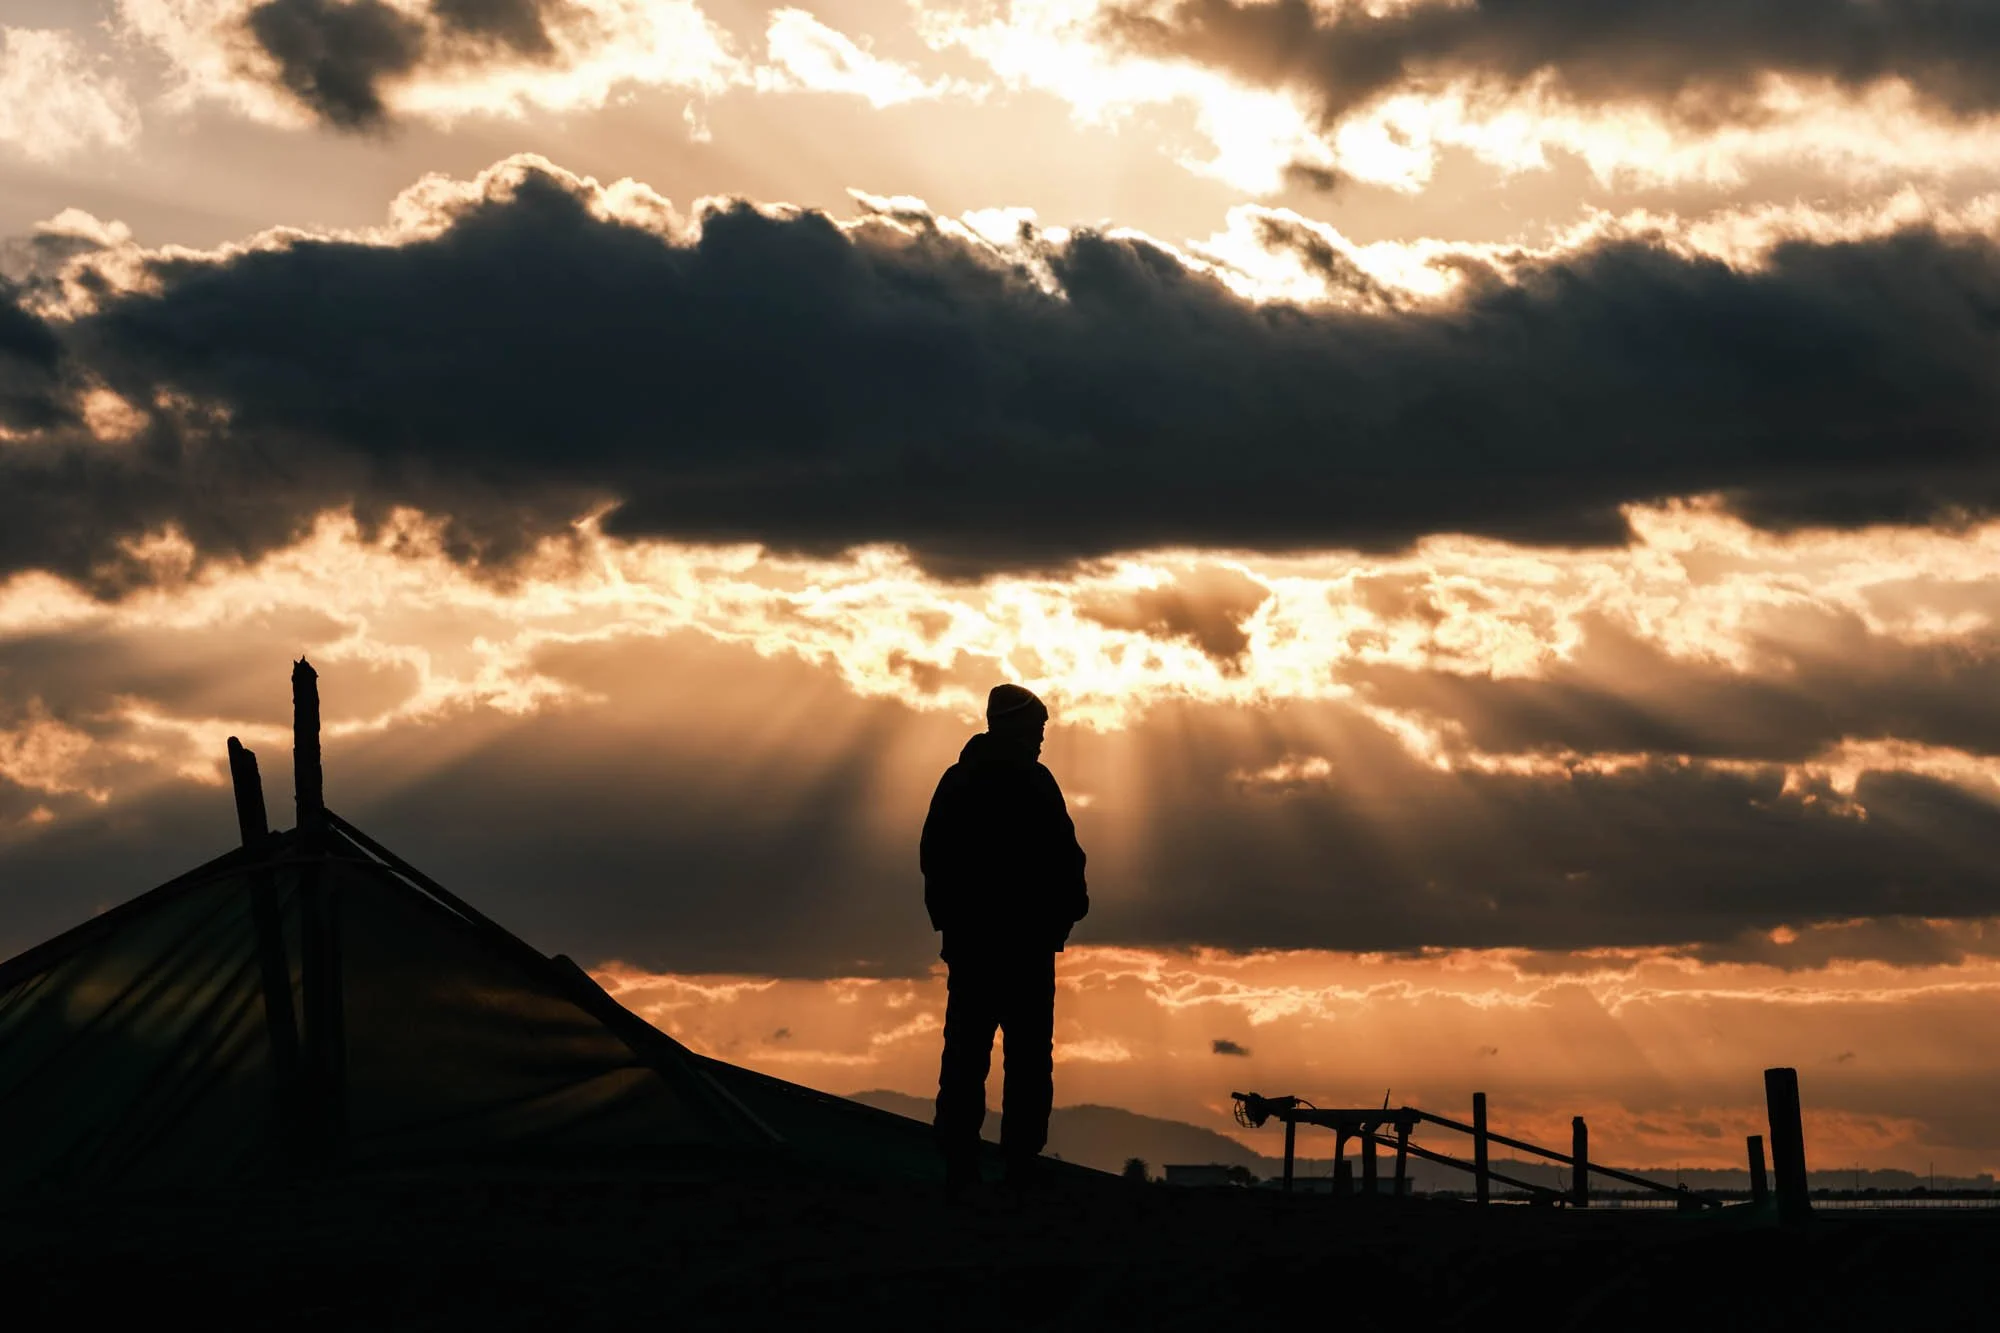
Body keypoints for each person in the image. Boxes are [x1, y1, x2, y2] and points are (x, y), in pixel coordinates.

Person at [920, 683, 1088, 1198]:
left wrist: (953, 926)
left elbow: (934, 857)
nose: (1042, 739)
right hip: (1022, 949)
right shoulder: (1035, 783)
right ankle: (1016, 1166)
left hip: (978, 947)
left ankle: (960, 1165)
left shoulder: (958, 781)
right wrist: (1061, 916)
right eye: (1037, 729)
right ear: (1017, 727)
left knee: (967, 1057)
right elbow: (1066, 858)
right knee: (1027, 1060)